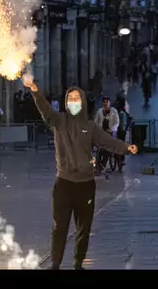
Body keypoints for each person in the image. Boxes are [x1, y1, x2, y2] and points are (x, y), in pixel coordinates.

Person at [22, 73, 138, 270]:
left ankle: (78, 264)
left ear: (82, 102)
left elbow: (107, 141)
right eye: (70, 99)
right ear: (66, 102)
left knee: (83, 228)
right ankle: (55, 264)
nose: (73, 101)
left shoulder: (90, 127)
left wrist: (126, 147)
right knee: (60, 227)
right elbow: (45, 110)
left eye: (76, 98)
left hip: (85, 186)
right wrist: (35, 90)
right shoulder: (58, 121)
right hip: (64, 184)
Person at [94, 97, 120, 173]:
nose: (105, 103)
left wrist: (111, 129)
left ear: (109, 103)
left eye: (106, 102)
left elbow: (117, 122)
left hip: (112, 132)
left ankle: (103, 164)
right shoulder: (99, 112)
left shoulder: (114, 111)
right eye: (104, 102)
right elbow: (96, 122)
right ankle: (97, 164)